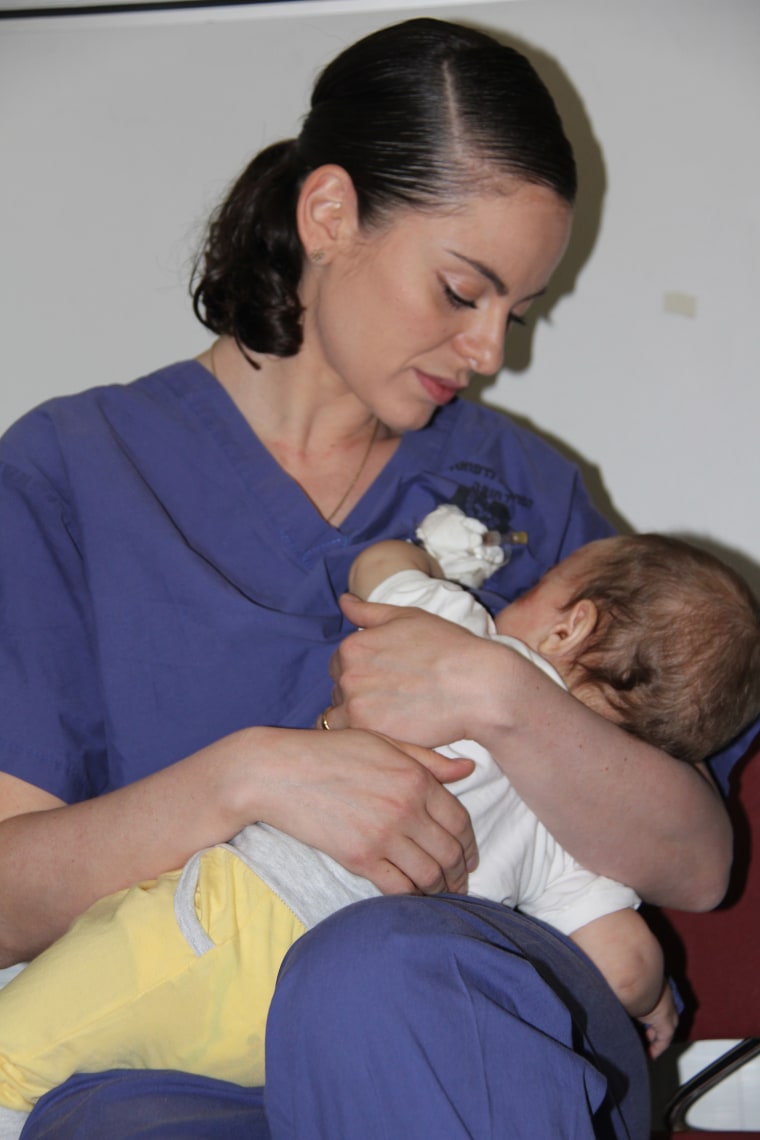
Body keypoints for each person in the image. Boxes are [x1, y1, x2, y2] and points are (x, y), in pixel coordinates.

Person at [0, 16, 746, 1140]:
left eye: (517, 311)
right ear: (331, 215)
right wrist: (246, 782)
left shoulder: (528, 492)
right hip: (185, 1058)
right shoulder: (68, 478)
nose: (492, 351)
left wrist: (502, 695)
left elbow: (696, 863)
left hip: (482, 1035)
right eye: (462, 291)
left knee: (372, 973)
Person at [2, 524, 758, 1137]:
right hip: (340, 1049)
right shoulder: (579, 832)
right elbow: (622, 963)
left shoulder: (467, 637)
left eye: (531, 589)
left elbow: (378, 568)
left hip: (242, 924)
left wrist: (421, 555)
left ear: (575, 622)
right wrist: (655, 997)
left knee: (28, 1047)